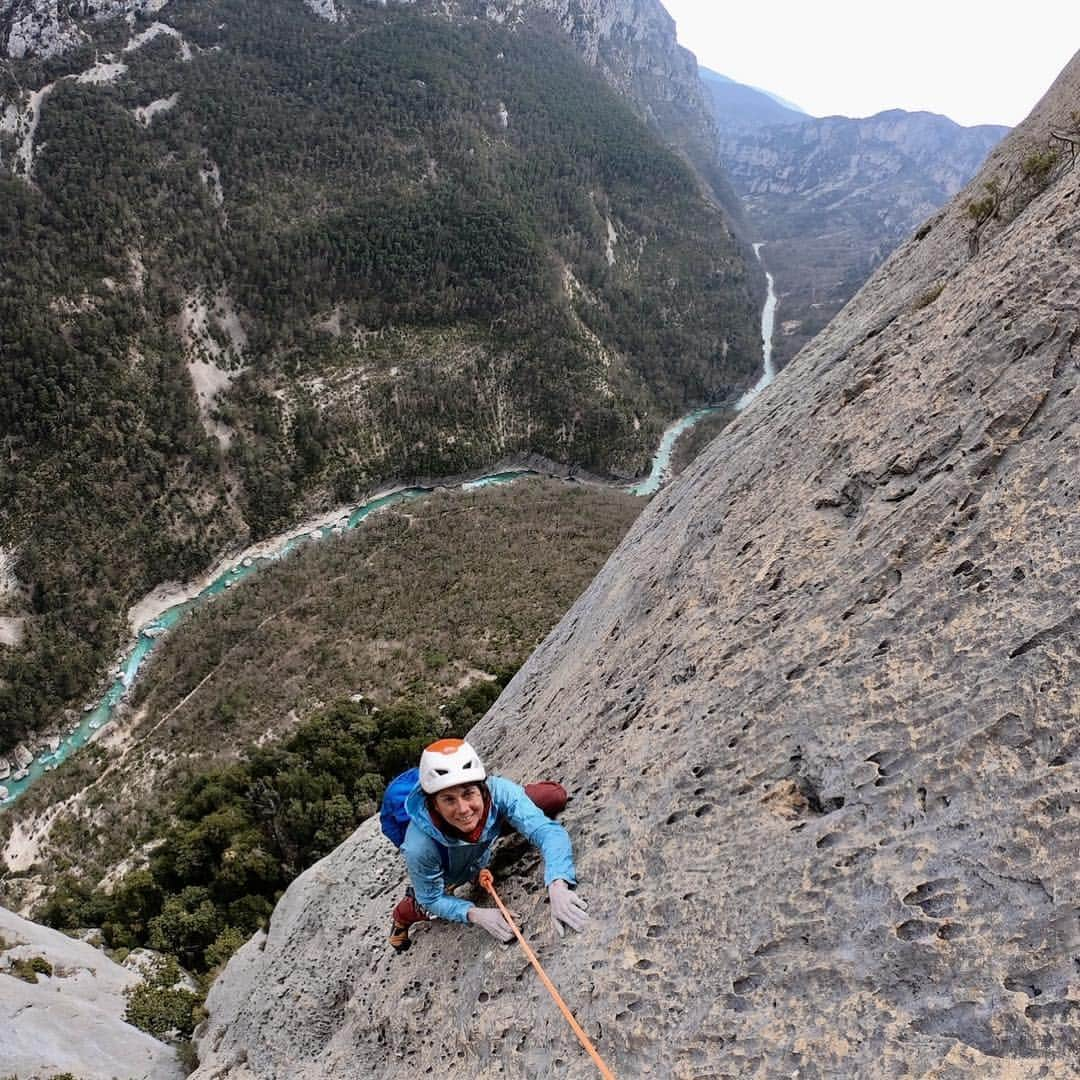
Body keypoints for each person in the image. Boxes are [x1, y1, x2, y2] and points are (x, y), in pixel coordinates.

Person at [389, 737, 588, 952]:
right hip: (451, 861)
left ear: (483, 789)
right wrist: (476, 914)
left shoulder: (497, 791)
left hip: (487, 829)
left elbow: (546, 831)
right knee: (429, 898)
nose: (463, 808)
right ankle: (401, 917)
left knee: (552, 797)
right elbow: (431, 897)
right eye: (448, 799)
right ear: (433, 805)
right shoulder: (420, 846)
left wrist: (558, 883)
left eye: (468, 793)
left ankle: (496, 832)